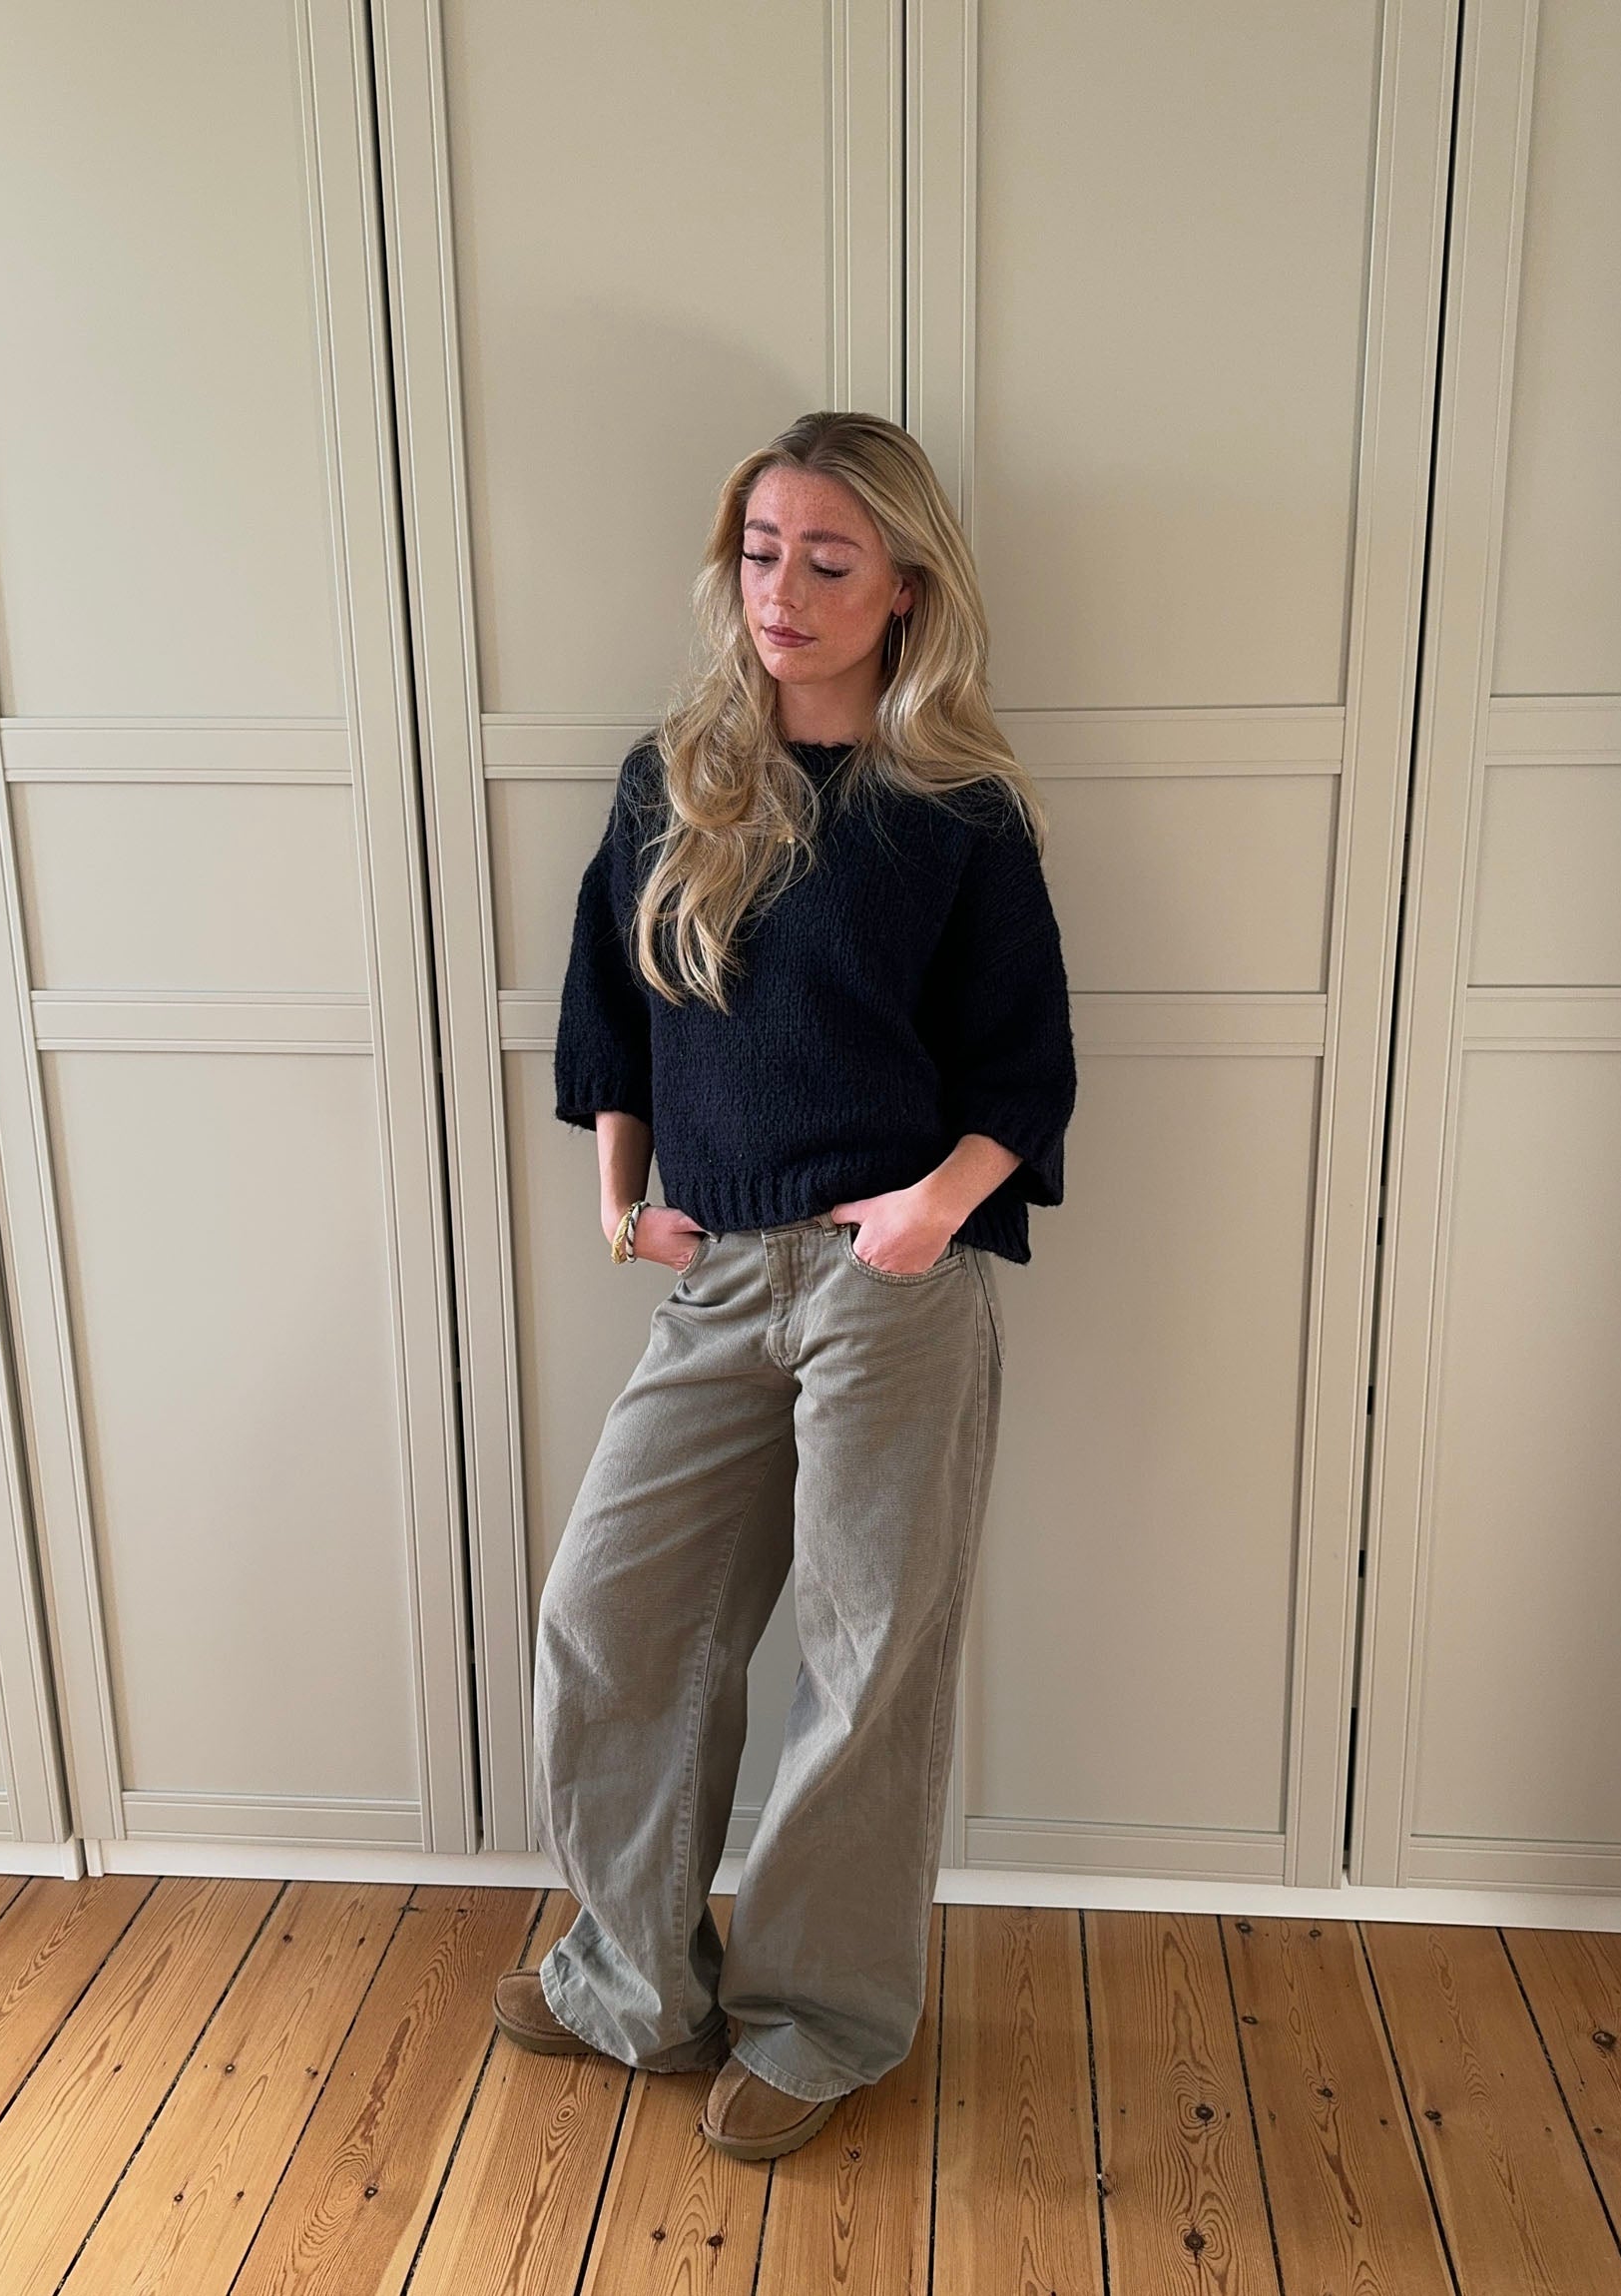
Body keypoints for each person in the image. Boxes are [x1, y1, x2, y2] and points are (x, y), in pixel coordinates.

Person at [492, 409, 1077, 2161]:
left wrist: (924, 1219)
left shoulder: (954, 810)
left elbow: (1026, 1072)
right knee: (610, 1618)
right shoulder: (672, 776)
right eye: (761, 551)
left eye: (829, 560)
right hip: (718, 1277)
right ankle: (636, 1983)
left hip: (891, 1284)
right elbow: (609, 1011)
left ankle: (819, 2022)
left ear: (903, 591)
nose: (784, 590)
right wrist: (621, 1206)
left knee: (860, 1663)